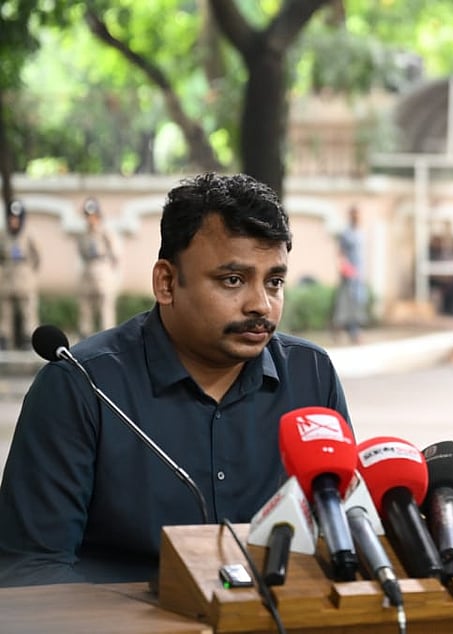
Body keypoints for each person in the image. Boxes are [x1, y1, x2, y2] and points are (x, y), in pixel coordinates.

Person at [0, 173, 351, 587]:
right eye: (232, 280)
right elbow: (32, 571)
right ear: (166, 282)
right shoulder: (80, 387)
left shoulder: (311, 375)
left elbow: (339, 532)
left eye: (274, 282)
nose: (261, 304)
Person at [76, 197, 120, 338]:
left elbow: (115, 253)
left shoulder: (106, 232)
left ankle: (107, 335)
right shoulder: (83, 234)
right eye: (87, 216)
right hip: (88, 269)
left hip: (103, 268)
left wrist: (110, 270)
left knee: (105, 306)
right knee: (85, 306)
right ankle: (85, 333)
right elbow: (81, 252)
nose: (90, 219)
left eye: (93, 215)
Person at [0, 200, 40, 350]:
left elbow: (37, 257)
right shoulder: (4, 235)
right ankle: (5, 338)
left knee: (28, 310)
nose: (14, 221)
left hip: (25, 275)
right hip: (9, 275)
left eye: (17, 218)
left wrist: (30, 271)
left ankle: (29, 338)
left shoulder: (30, 233)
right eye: (11, 218)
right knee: (6, 310)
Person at [330, 204, 367, 344]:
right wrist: (345, 267)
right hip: (349, 275)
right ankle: (340, 330)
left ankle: (354, 333)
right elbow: (341, 253)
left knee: (357, 303)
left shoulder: (360, 232)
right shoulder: (346, 233)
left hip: (359, 276)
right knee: (345, 304)